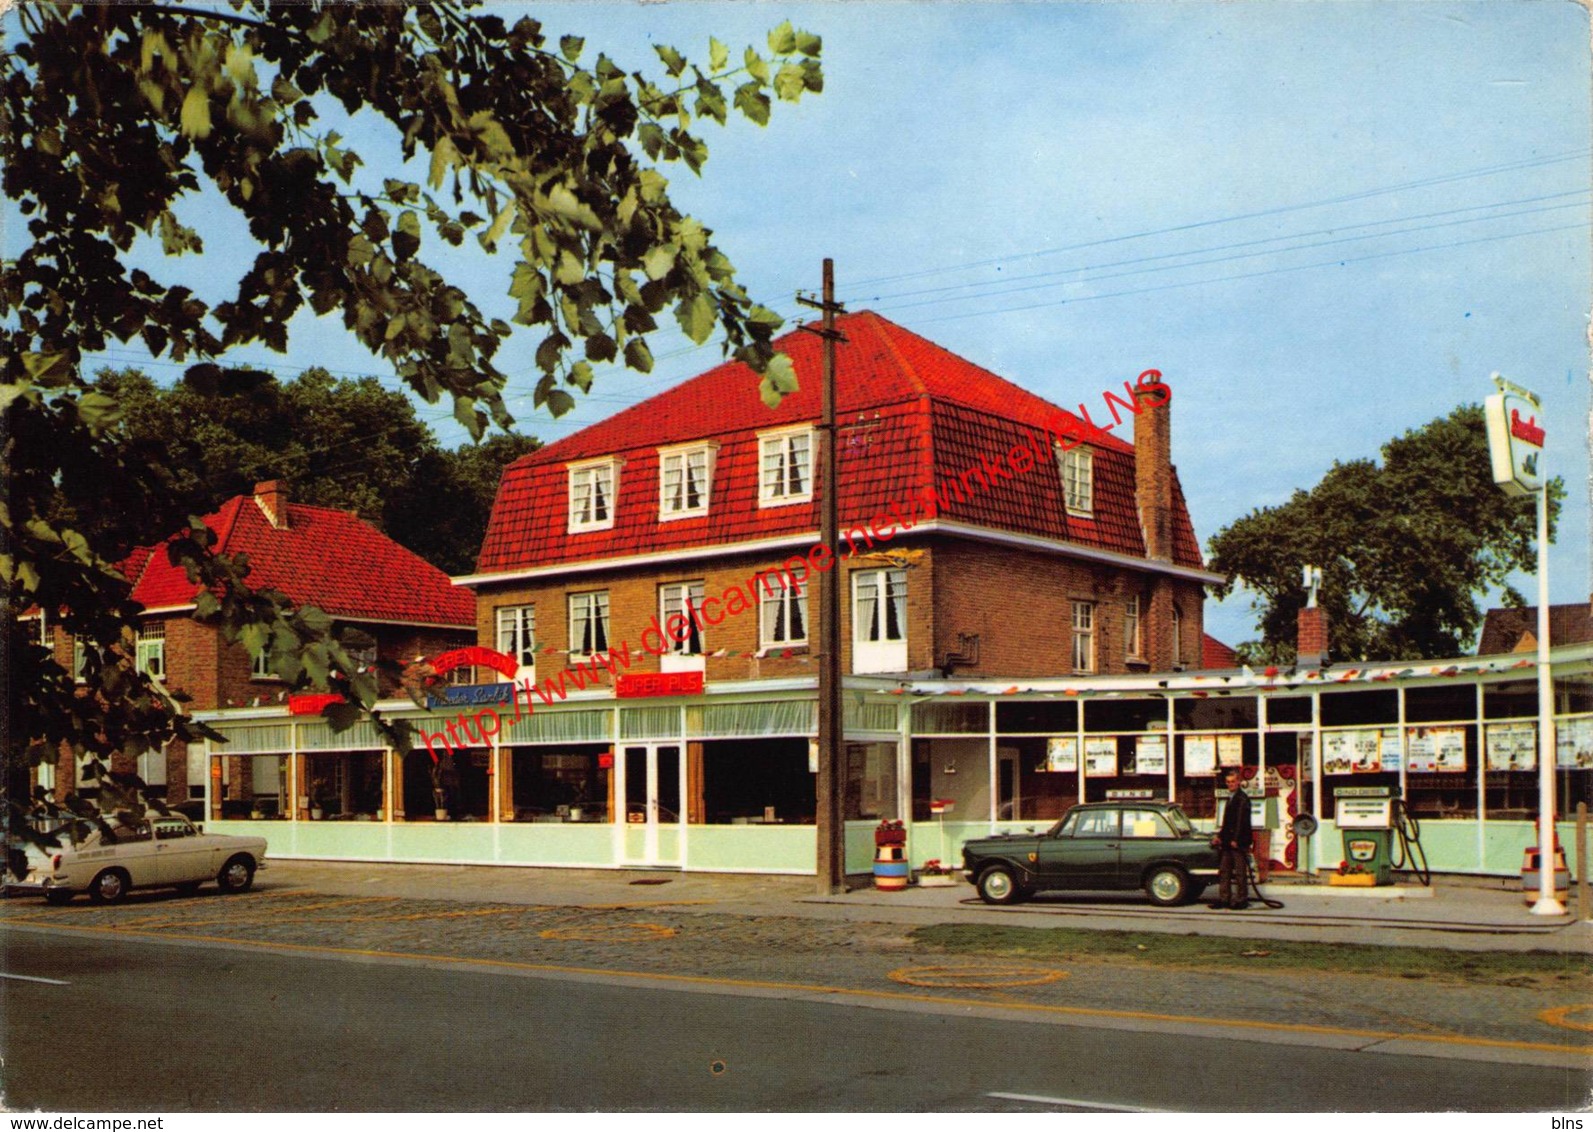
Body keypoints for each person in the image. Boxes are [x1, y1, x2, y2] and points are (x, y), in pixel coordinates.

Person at [1211, 768, 1253, 910]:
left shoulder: (1242, 798)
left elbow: (1241, 821)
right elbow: (1227, 822)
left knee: (1240, 872)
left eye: (1233, 781)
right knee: (1224, 871)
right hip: (1228, 842)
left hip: (1238, 842)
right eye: (1228, 782)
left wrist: (1236, 840)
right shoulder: (1230, 798)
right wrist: (1220, 837)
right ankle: (1224, 899)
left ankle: (1241, 899)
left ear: (1239, 782)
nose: (1230, 784)